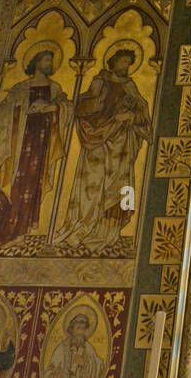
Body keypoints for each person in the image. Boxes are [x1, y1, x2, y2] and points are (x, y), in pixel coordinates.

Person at [56, 47, 151, 253]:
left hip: (122, 144)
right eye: (122, 62)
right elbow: (84, 106)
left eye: (128, 63)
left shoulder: (130, 85)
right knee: (93, 185)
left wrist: (132, 117)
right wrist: (103, 108)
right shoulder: (100, 81)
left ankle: (109, 234)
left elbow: (142, 111)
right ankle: (83, 229)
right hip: (99, 138)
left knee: (120, 187)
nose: (125, 66)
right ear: (113, 62)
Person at [0, 47, 71, 247]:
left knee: (31, 184)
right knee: (13, 184)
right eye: (45, 60)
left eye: (50, 61)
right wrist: (19, 107)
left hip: (40, 144)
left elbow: (66, 108)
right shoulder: (21, 88)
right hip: (19, 144)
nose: (49, 64)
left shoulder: (54, 88)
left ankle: (21, 233)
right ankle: (6, 230)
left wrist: (52, 107)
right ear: (35, 63)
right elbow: (2, 112)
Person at [42, 307, 105, 378]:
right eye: (78, 326)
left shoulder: (89, 348)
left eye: (83, 327)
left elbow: (99, 365)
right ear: (72, 328)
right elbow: (49, 370)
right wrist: (54, 375)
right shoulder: (62, 348)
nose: (80, 329)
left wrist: (85, 363)